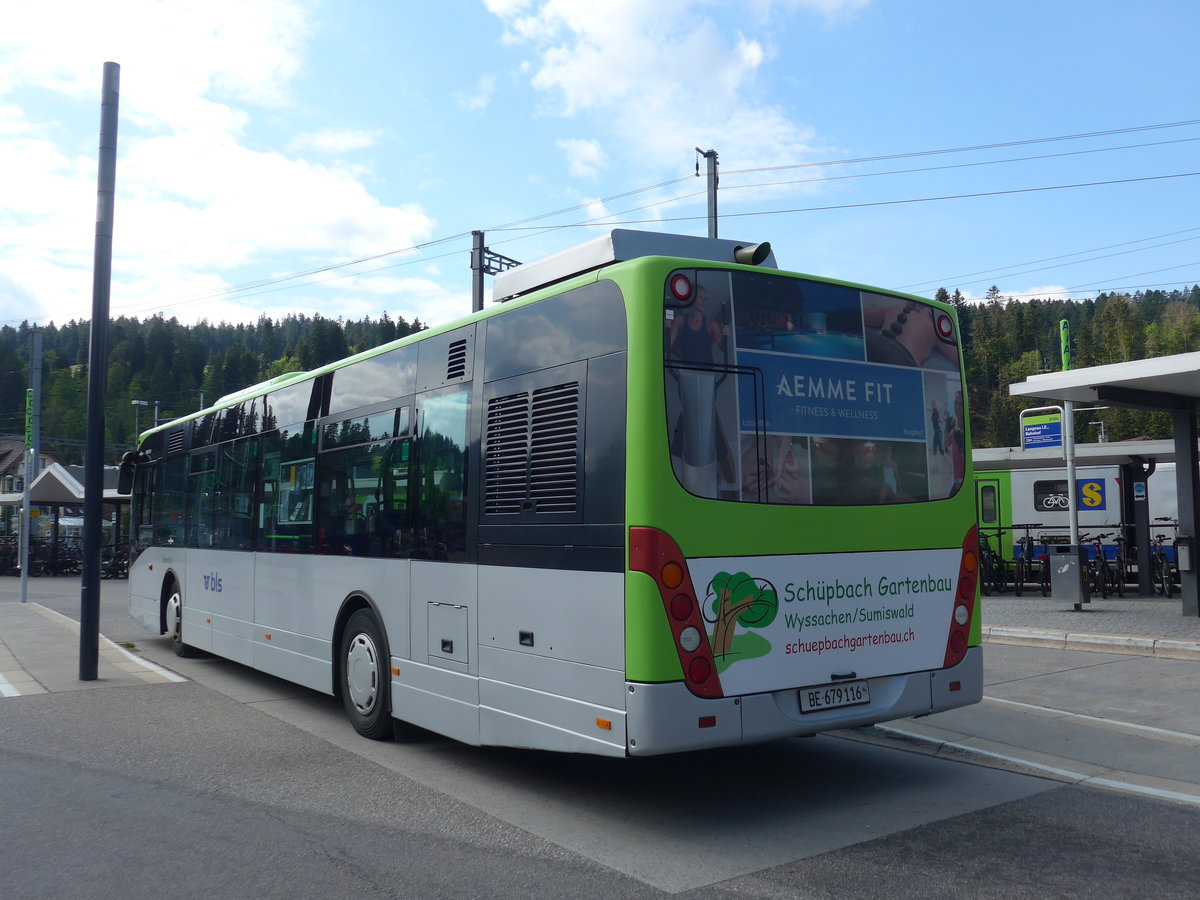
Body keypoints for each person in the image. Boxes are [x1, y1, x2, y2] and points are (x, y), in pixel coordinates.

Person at [669, 285, 729, 363]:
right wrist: (667, 326)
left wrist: (725, 334)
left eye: (705, 299)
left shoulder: (711, 324)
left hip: (707, 372)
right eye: (700, 297)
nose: (703, 301)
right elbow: (667, 346)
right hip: (684, 370)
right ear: (691, 298)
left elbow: (723, 348)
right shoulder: (680, 320)